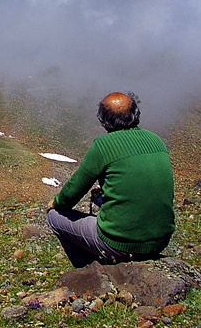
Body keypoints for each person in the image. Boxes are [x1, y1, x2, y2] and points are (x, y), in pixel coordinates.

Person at [45, 91, 175, 268]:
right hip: (160, 241)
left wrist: (57, 202)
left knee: (54, 217)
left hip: (119, 243)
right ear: (136, 114)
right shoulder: (156, 141)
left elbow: (74, 190)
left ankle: (90, 271)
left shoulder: (103, 146)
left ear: (103, 120)